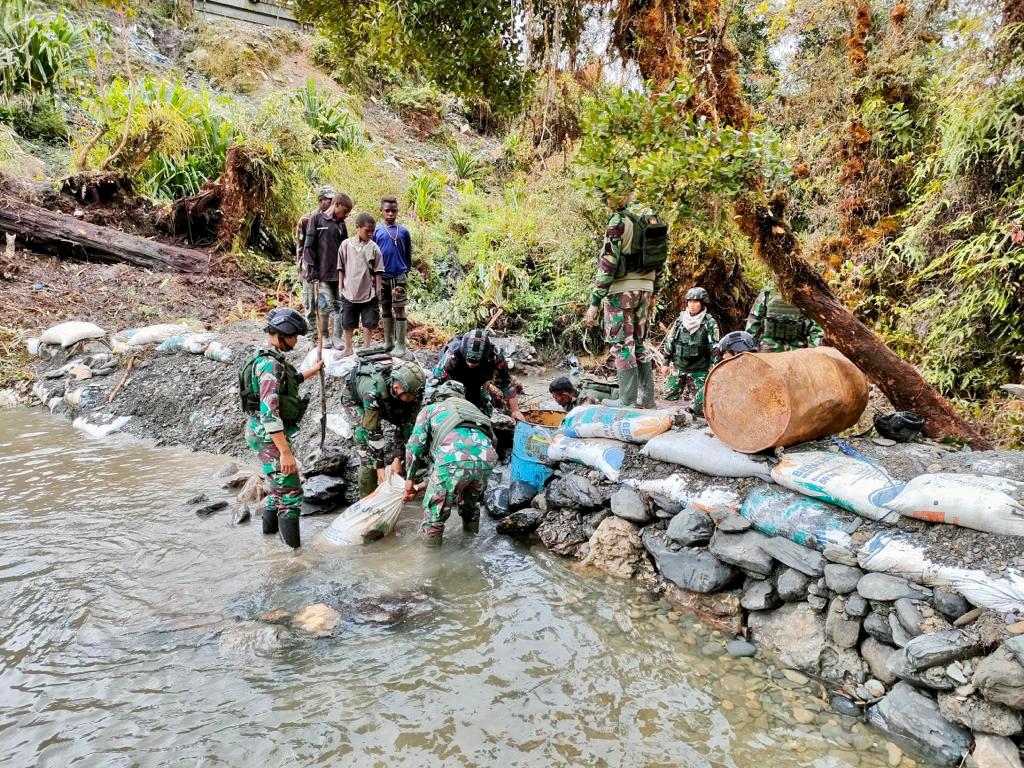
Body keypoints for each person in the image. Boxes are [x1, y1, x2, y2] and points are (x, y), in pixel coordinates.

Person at [238, 308, 324, 549]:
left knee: (277, 489)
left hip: (263, 432)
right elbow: (270, 413)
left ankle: (269, 542)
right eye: (294, 336)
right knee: (290, 494)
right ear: (283, 332)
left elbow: (290, 381)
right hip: (269, 434)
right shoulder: (268, 365)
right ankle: (293, 557)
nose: (296, 342)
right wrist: (285, 452)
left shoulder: (268, 358)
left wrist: (313, 371)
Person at [583, 192, 668, 409]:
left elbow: (608, 264)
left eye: (608, 197)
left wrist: (594, 302)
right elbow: (660, 260)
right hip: (646, 290)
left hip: (621, 291)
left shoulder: (619, 221)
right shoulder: (652, 218)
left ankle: (626, 400)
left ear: (620, 196)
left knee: (622, 344)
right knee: (639, 343)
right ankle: (647, 399)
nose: (607, 202)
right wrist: (655, 291)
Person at [402, 380, 497, 546]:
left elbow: (414, 447)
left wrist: (409, 479)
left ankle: (431, 564)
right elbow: (492, 440)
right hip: (486, 459)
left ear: (439, 396)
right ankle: (470, 547)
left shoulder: (430, 410)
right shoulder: (474, 410)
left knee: (435, 515)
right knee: (471, 506)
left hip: (451, 460)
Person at [342, 356, 426, 498]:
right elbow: (373, 432)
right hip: (356, 401)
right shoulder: (373, 393)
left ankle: (398, 486)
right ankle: (367, 500)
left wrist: (398, 458)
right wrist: (380, 469)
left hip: (389, 402)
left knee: (407, 445)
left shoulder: (414, 393)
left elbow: (406, 426)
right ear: (397, 387)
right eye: (411, 396)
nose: (414, 399)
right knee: (366, 450)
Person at [432, 329, 525, 421]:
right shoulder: (452, 355)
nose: (471, 364)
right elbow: (434, 381)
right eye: (470, 361)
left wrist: (515, 410)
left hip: (479, 378)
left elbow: (506, 383)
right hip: (454, 378)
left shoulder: (495, 355)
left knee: (481, 412)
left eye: (475, 362)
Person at [303, 192, 352, 348]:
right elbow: (308, 247)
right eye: (344, 212)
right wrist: (313, 270)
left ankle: (337, 337)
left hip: (339, 274)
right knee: (324, 306)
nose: (345, 216)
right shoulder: (316, 220)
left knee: (340, 306)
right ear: (336, 205)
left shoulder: (341, 225)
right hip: (322, 274)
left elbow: (345, 249)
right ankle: (324, 337)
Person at [663, 287, 720, 415]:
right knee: (666, 401)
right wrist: (665, 363)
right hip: (678, 368)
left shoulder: (709, 323)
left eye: (695, 302)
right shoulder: (680, 320)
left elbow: (715, 348)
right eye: (689, 301)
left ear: (702, 303)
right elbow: (670, 341)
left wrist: (713, 367)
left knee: (700, 408)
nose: (691, 305)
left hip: (698, 371)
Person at [337, 212, 385, 356]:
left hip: (368, 292)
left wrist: (378, 289)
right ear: (357, 228)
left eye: (372, 231)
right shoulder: (346, 245)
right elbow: (341, 267)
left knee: (369, 321)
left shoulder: (374, 248)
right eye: (367, 231)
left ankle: (366, 347)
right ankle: (348, 348)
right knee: (347, 321)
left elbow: (378, 270)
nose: (370, 234)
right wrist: (340, 285)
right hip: (349, 290)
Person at [373, 195, 413, 357]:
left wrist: (405, 271)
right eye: (387, 211)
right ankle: (388, 341)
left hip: (399, 276)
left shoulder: (403, 231)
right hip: (382, 276)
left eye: (393, 211)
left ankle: (401, 344)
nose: (390, 214)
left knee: (400, 308)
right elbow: (372, 253)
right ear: (381, 211)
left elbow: (408, 254)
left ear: (397, 211)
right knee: (385, 308)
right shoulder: (377, 231)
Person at [295, 186, 336, 336]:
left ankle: (325, 337)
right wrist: (301, 270)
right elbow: (300, 247)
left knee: (326, 305)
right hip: (309, 269)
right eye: (329, 200)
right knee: (310, 304)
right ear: (320, 201)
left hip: (327, 270)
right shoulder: (306, 220)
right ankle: (312, 337)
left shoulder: (335, 221)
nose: (332, 203)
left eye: (333, 200)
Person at [745, 284, 824, 352]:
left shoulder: (807, 296)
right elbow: (754, 321)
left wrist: (812, 352)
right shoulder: (767, 293)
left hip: (796, 350)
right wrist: (750, 348)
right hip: (769, 348)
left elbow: (817, 328)